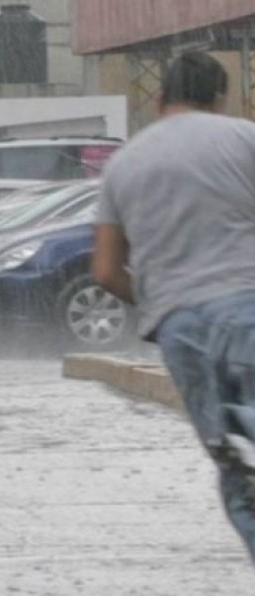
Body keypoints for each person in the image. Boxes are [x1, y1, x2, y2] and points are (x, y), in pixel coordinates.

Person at [92, 50, 255, 561]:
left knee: (237, 469)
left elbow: (104, 271)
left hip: (179, 330)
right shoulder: (244, 138)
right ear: (220, 97)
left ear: (160, 98)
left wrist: (164, 301)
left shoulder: (123, 164)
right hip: (247, 309)